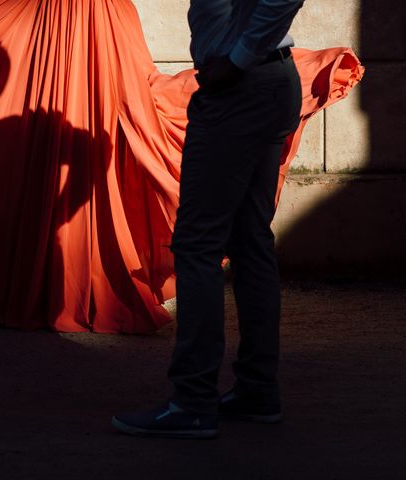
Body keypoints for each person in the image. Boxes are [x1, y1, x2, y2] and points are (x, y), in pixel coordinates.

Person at [0, 0, 360, 334]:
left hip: (99, 28)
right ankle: (233, 392)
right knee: (76, 138)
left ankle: (203, 397)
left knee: (189, 213)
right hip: (77, 22)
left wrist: (236, 57)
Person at [113, 0, 307, 439]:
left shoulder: (238, 69)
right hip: (264, 81)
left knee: (199, 244)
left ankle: (193, 402)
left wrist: (236, 61)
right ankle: (257, 390)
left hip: (241, 88)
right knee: (249, 241)